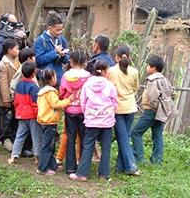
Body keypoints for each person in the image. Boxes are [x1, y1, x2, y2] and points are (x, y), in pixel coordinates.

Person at [69, 60, 118, 182]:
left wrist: (88, 114)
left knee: (88, 146)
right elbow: (115, 102)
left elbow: (83, 102)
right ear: (105, 71)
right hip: (107, 121)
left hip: (91, 121)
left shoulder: (87, 84)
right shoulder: (110, 85)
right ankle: (104, 174)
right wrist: (109, 113)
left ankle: (82, 174)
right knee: (106, 147)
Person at [131, 55, 177, 166]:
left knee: (136, 132)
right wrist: (162, 108)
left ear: (153, 68)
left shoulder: (152, 80)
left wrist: (155, 108)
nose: (147, 68)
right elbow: (173, 94)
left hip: (151, 112)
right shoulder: (164, 79)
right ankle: (156, 162)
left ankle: (139, 158)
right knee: (158, 136)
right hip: (162, 112)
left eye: (148, 65)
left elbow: (152, 97)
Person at [108, 45, 140, 176]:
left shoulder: (110, 71)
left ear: (116, 57)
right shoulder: (134, 71)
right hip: (130, 107)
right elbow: (135, 87)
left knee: (123, 137)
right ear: (130, 57)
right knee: (125, 137)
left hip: (117, 108)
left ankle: (130, 166)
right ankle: (121, 166)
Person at [58, 50, 90, 174]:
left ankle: (70, 167)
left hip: (70, 110)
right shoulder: (88, 77)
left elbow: (62, 93)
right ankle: (82, 163)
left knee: (70, 136)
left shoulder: (66, 76)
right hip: (83, 110)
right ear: (85, 62)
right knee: (83, 137)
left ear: (71, 61)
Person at [36, 68, 73, 175]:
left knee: (50, 144)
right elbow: (56, 104)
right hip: (49, 122)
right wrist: (68, 100)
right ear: (52, 78)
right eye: (56, 76)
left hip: (44, 121)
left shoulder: (42, 91)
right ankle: (43, 167)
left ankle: (52, 164)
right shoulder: (50, 92)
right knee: (48, 145)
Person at [8, 61, 42, 165]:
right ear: (33, 74)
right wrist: (38, 115)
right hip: (32, 116)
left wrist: (18, 111)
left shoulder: (19, 84)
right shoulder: (34, 87)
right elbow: (35, 103)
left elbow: (16, 100)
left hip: (21, 115)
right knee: (36, 136)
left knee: (20, 135)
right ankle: (38, 157)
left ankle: (14, 156)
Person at [0, 38, 20, 151]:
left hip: (16, 97)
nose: (18, 50)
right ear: (10, 50)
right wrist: (6, 99)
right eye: (17, 48)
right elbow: (3, 84)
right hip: (8, 99)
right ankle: (6, 138)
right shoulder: (2, 65)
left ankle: (14, 138)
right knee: (6, 119)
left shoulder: (17, 61)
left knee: (14, 119)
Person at [34, 15, 69, 87]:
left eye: (61, 29)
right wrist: (54, 52)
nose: (60, 32)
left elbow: (67, 60)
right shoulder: (40, 41)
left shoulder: (62, 40)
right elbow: (38, 60)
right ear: (49, 28)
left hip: (59, 79)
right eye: (57, 30)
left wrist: (63, 56)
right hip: (45, 80)